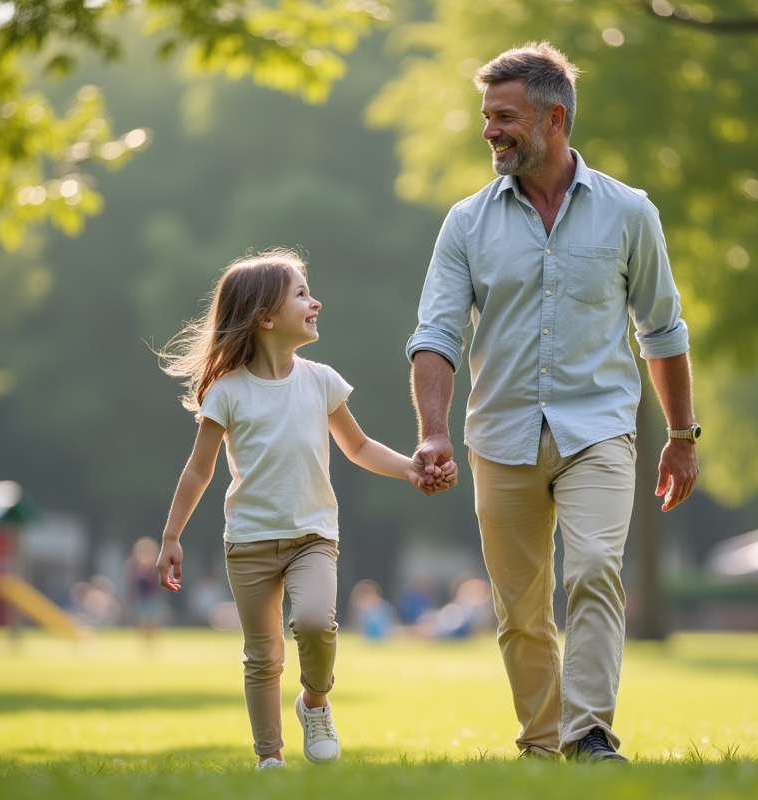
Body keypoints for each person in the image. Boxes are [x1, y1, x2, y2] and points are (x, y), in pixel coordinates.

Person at [407, 43, 699, 764]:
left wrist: (683, 433)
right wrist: (433, 432)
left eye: (504, 118)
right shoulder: (466, 223)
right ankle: (542, 744)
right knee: (521, 609)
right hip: (498, 434)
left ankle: (589, 734)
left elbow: (662, 328)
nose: (489, 132)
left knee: (595, 565)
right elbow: (436, 333)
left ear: (554, 118)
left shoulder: (630, 213)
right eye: (486, 117)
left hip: (599, 428)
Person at [154, 249, 456, 770]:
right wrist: (171, 537)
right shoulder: (226, 393)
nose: (315, 301)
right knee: (263, 655)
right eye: (301, 293)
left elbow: (358, 447)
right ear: (265, 317)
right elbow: (198, 470)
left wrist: (410, 467)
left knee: (316, 624)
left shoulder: (321, 381)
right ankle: (269, 756)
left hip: (313, 537)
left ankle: (314, 703)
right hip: (248, 543)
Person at [126, 537, 163, 643]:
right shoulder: (134, 566)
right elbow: (132, 583)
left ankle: (152, 641)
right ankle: (145, 641)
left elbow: (159, 583)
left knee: (152, 621)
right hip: (140, 598)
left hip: (152, 597)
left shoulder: (156, 566)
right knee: (142, 622)